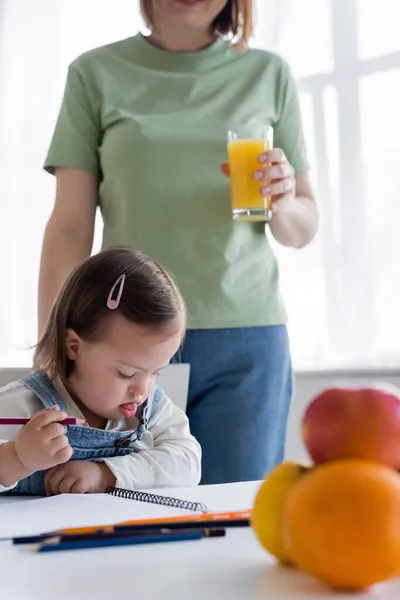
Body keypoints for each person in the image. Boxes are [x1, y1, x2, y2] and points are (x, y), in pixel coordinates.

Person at [38, 0, 318, 485]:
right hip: (122, 342)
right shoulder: (95, 73)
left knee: (236, 518)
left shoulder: (268, 73)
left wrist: (284, 197)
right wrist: (51, 351)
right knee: (113, 506)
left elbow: (302, 227)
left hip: (247, 341)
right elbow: (68, 226)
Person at [0, 248, 201, 495]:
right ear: (73, 346)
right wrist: (18, 457)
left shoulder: (153, 410)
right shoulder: (24, 406)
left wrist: (105, 474)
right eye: (126, 373)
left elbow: (188, 463)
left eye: (155, 373)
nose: (142, 389)